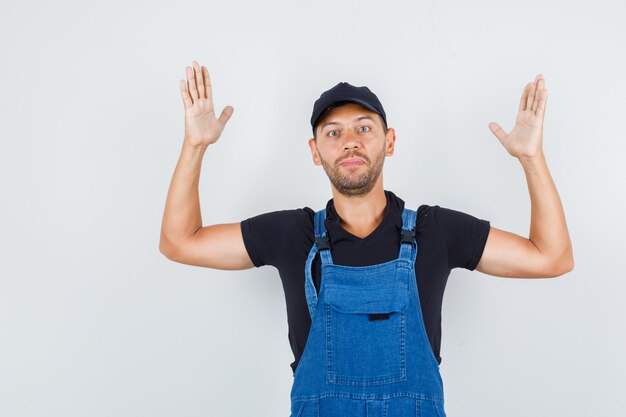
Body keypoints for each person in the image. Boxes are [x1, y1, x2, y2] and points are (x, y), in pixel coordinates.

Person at [159, 60, 574, 417]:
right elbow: (180, 241)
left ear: (389, 142)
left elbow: (552, 257)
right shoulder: (293, 234)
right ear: (315, 150)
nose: (350, 142)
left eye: (364, 128)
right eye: (333, 133)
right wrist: (195, 146)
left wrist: (531, 158)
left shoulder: (437, 231)